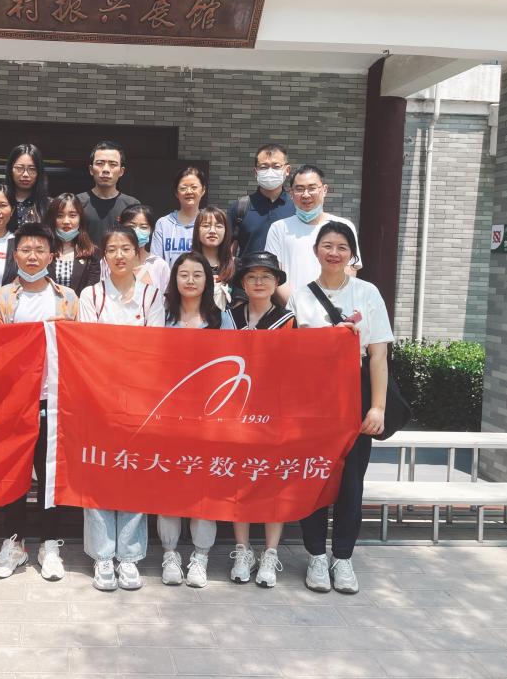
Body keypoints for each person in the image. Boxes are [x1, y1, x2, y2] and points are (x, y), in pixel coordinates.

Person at [290, 221, 392, 595]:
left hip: (356, 392)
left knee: (351, 480)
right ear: (316, 250)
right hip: (312, 396)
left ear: (352, 254)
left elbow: (378, 355)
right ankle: (316, 555)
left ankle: (343, 557)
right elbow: (289, 354)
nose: (334, 253)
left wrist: (377, 407)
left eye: (342, 247)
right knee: (314, 476)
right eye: (328, 245)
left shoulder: (368, 293)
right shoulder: (300, 297)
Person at [0, 223, 79, 582]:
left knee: (50, 474)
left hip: (53, 399)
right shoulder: (1, 299)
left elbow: (81, 348)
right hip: (13, 401)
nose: (32, 256)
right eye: (25, 249)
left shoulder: (68, 298)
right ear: (15, 255)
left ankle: (49, 544)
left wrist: (65, 332)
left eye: (40, 250)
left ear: (52, 256)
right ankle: (14, 543)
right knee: (15, 474)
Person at [78, 226, 165, 591]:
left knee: (133, 473)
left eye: (126, 248)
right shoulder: (91, 295)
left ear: (137, 253)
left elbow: (154, 347)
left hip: (139, 399)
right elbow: (88, 345)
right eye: (112, 249)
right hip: (98, 398)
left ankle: (128, 556)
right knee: (99, 473)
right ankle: (102, 555)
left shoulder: (152, 296)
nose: (119, 255)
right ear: (103, 255)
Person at [158, 251, 234, 588]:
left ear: (208, 281)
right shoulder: (161, 316)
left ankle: (200, 557)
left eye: (197, 275)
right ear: (174, 279)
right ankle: (170, 554)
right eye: (183, 274)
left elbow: (235, 365)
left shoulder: (222, 319)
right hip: (169, 416)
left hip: (210, 418)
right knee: (170, 488)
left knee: (205, 489)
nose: (190, 281)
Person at [226, 252, 296, 587]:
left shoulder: (287, 320)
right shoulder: (229, 315)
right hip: (235, 409)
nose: (258, 282)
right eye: (252, 276)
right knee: (239, 480)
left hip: (273, 412)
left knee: (272, 481)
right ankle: (242, 550)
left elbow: (294, 367)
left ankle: (270, 552)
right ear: (242, 282)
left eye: (266, 277)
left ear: (276, 282)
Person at [266, 165, 362, 304]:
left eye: (312, 188)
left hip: (334, 309)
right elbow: (274, 274)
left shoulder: (344, 226)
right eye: (299, 189)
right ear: (291, 193)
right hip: (292, 310)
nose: (306, 194)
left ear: (324, 190)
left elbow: (350, 268)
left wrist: (330, 305)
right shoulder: (278, 228)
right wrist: (299, 307)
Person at [227, 143, 295, 260]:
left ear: (287, 170)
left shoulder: (296, 207)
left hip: (288, 272)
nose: (270, 171)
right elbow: (228, 251)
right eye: (264, 167)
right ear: (255, 172)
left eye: (276, 166)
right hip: (248, 271)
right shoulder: (239, 208)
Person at [75, 140, 139, 243]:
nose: (106, 169)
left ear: (121, 171)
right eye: (100, 163)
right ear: (91, 169)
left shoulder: (132, 205)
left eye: (113, 164)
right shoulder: (77, 202)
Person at [43, 193, 100, 295]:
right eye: (60, 216)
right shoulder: (42, 250)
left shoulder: (92, 252)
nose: (66, 221)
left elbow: (91, 290)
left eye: (72, 215)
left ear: (80, 219)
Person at [151, 166, 206, 267]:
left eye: (194, 187)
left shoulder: (208, 223)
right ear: (176, 192)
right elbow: (155, 262)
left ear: (203, 190)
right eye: (183, 188)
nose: (189, 191)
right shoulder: (163, 224)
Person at [190, 206, 235, 311]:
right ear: (197, 230)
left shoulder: (235, 265)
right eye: (206, 225)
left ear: (226, 231)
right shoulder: (187, 263)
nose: (212, 231)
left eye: (218, 226)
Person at [119, 204, 170, 296]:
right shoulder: (109, 262)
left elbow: (165, 299)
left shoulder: (159, 265)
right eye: (131, 226)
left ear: (151, 230)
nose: (136, 231)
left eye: (143, 227)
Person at [5, 144, 49, 229]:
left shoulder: (50, 206)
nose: (25, 174)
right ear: (10, 170)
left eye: (32, 169)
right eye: (19, 168)